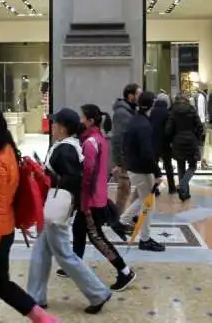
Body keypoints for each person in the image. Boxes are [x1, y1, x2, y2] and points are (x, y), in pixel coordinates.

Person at [0, 105, 58, 323]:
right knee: (0, 284)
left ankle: (43, 318)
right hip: (0, 232)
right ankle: (42, 318)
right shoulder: (0, 149)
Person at [27, 108, 112, 314]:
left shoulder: (65, 149)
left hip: (56, 210)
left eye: (54, 123)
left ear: (63, 127)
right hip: (54, 209)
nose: (52, 127)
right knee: (41, 250)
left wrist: (47, 178)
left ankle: (98, 292)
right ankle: (35, 296)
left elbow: (71, 179)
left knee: (65, 255)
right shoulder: (68, 146)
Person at [59, 104, 137, 292]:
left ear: (91, 121)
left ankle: (125, 271)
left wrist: (84, 202)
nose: (80, 121)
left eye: (82, 117)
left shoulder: (90, 143)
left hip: (91, 201)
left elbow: (88, 176)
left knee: (97, 239)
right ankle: (74, 266)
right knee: (78, 230)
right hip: (95, 197)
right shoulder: (98, 139)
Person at [117, 91, 165, 252]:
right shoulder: (144, 125)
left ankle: (122, 221)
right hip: (142, 170)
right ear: (152, 105)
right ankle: (145, 239)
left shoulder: (135, 121)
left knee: (145, 199)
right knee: (148, 203)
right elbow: (147, 152)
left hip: (134, 167)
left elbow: (125, 145)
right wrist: (157, 173)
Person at [166, 94, 204, 201]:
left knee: (180, 167)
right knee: (193, 166)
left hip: (178, 141)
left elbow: (168, 130)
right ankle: (183, 185)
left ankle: (183, 194)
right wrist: (197, 138)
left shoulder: (173, 111)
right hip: (191, 141)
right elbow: (200, 127)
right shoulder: (191, 109)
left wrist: (171, 139)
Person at [111, 83, 141, 214]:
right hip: (125, 158)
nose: (140, 97)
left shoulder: (130, 111)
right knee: (124, 188)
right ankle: (119, 216)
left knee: (131, 187)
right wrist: (120, 160)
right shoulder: (123, 113)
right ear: (131, 96)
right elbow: (118, 138)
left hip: (131, 157)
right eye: (138, 94)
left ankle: (124, 215)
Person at [150, 93, 174, 194]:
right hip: (165, 143)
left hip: (153, 142)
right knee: (168, 165)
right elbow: (170, 129)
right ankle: (171, 188)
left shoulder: (151, 112)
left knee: (154, 166)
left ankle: (154, 189)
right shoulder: (168, 113)